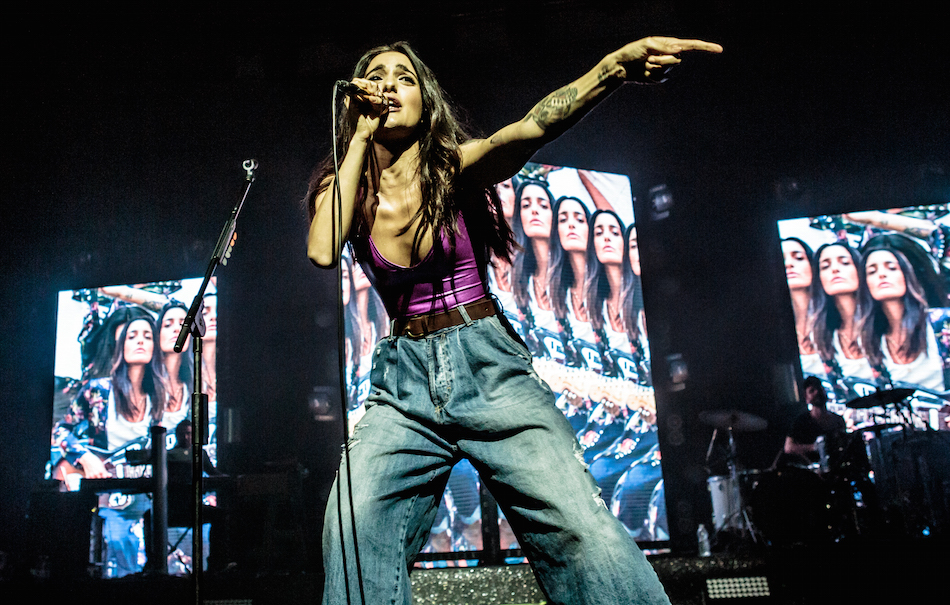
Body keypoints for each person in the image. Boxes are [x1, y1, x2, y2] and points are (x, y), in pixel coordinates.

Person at [306, 37, 721, 605]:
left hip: (487, 365)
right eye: (376, 76)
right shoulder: (346, 187)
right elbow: (324, 250)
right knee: (351, 530)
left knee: (579, 528)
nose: (389, 86)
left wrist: (611, 69)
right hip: (402, 385)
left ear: (425, 101)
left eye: (405, 77)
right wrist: (355, 138)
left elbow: (529, 130)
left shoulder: (453, 166)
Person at [859, 244, 944, 390]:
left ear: (906, 274)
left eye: (891, 268)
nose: (881, 275)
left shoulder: (940, 322)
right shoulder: (868, 338)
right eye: (872, 271)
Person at [782, 376, 847, 465]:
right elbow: (788, 447)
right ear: (806, 397)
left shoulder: (838, 420)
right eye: (812, 391)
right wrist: (814, 447)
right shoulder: (801, 421)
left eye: (819, 388)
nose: (817, 392)